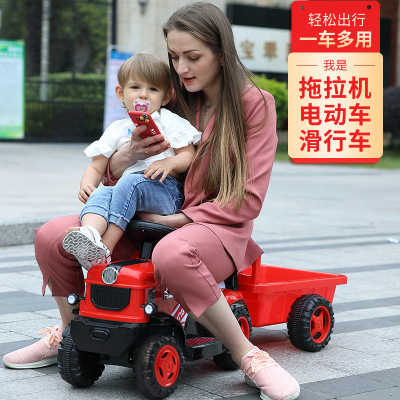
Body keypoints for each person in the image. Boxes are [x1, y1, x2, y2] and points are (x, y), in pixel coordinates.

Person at [3, 3, 300, 400]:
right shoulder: (169, 97)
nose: (182, 68)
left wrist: (181, 220)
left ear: (221, 53)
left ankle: (249, 355)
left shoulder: (254, 104)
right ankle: (72, 334)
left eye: (193, 57)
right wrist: (124, 157)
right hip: (144, 218)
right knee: (51, 235)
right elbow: (119, 177)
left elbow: (248, 198)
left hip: (214, 227)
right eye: (174, 57)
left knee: (173, 254)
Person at [61, 52, 199, 270]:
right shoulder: (116, 129)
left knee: (128, 182)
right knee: (102, 193)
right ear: (120, 93)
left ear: (165, 97)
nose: (143, 95)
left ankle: (107, 246)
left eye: (153, 89)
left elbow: (188, 155)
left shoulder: (169, 121)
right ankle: (90, 234)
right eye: (135, 87)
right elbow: (96, 166)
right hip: (126, 192)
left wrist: (169, 163)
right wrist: (87, 185)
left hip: (164, 191)